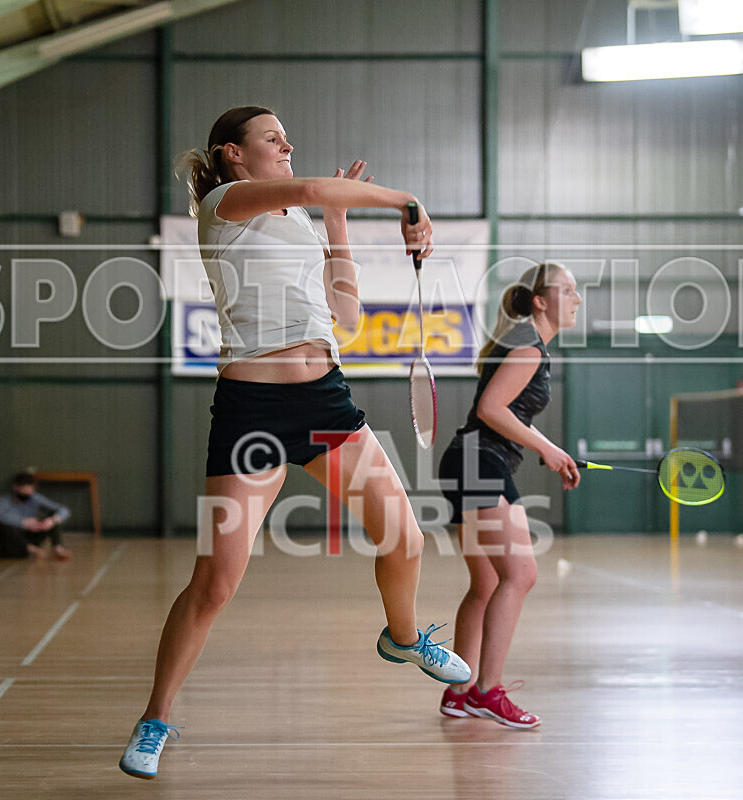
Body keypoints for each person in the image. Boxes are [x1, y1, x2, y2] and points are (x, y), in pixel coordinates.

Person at [119, 106, 470, 780]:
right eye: (272, 139)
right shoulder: (226, 204)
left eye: (288, 139)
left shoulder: (302, 222)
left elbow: (346, 315)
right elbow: (311, 186)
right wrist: (404, 201)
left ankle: (402, 638)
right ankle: (155, 716)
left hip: (324, 400)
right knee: (216, 583)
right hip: (252, 408)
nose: (288, 146)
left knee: (406, 537)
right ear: (233, 154)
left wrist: (338, 225)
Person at [437, 262, 582, 729]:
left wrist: (541, 449)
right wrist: (549, 446)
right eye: (569, 290)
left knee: (486, 584)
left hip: (477, 461)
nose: (577, 299)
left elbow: (504, 413)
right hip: (480, 463)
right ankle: (486, 692)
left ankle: (459, 691)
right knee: (520, 575)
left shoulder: (528, 345)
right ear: (541, 300)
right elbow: (490, 409)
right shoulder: (528, 349)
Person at [0, 471, 72, 561]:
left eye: (29, 489)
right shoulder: (4, 501)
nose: (27, 492)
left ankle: (58, 548)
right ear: (16, 488)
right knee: (4, 526)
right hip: (11, 544)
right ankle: (31, 549)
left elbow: (63, 510)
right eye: (24, 489)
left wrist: (52, 520)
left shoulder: (34, 498)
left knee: (52, 518)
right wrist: (24, 522)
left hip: (30, 536)